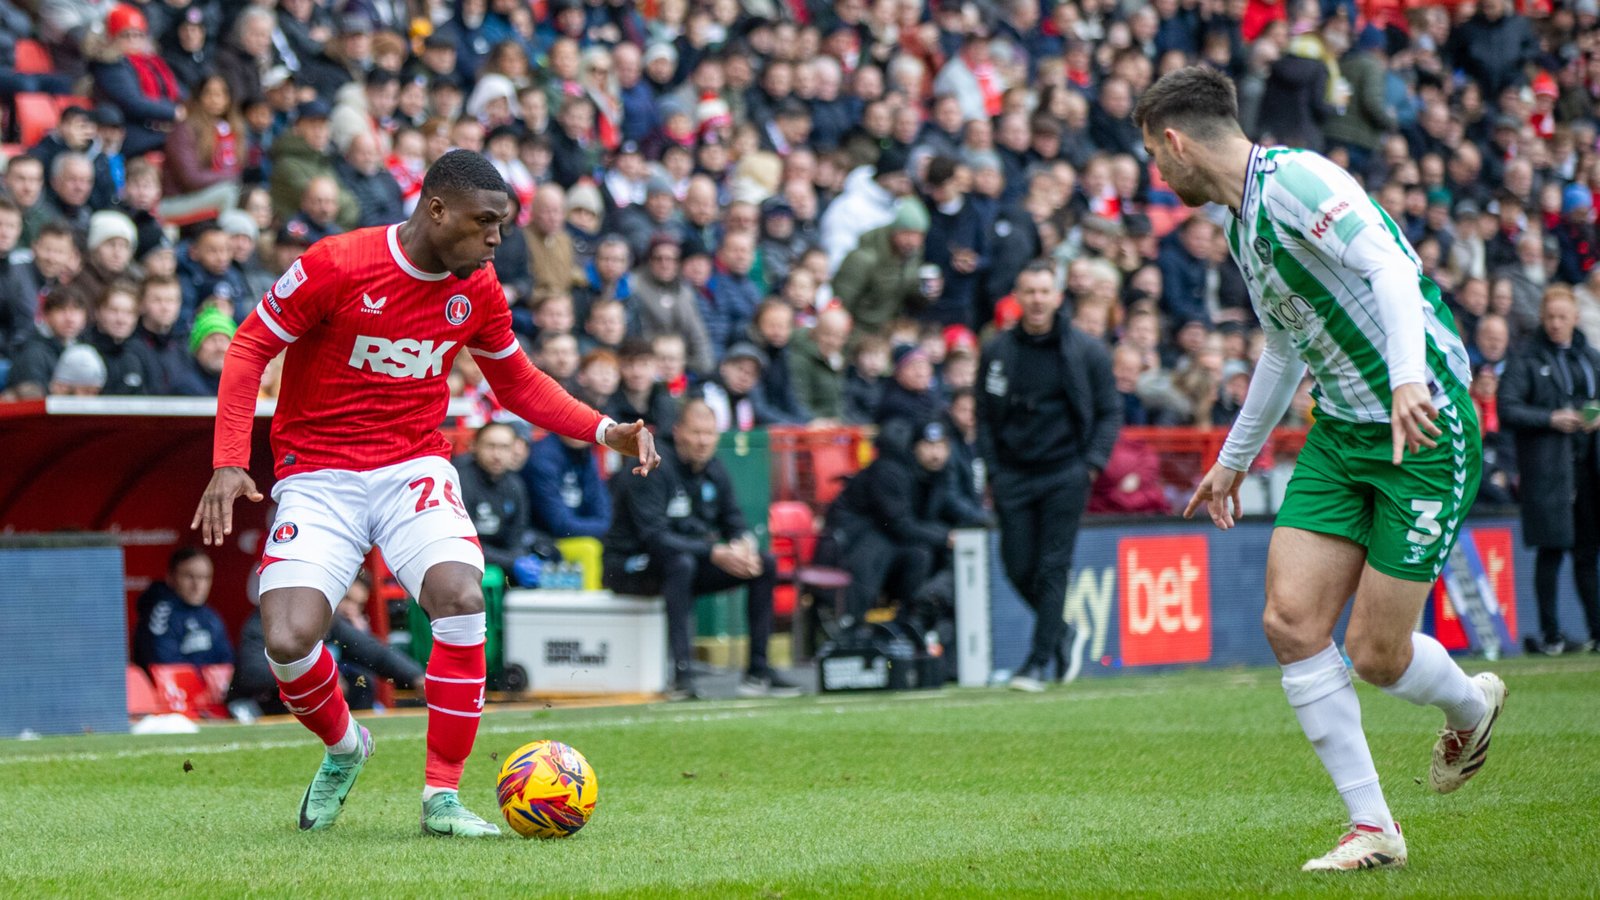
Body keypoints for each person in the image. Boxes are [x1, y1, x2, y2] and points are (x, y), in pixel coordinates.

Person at [191, 150, 658, 837]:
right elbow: (250, 346)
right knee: (287, 639)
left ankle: (441, 798)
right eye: (487, 222)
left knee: (463, 599)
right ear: (437, 209)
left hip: (413, 466)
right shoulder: (338, 263)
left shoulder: (480, 288)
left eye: (503, 225)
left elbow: (517, 381)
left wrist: (603, 428)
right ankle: (347, 746)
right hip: (318, 475)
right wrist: (230, 459)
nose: (498, 238)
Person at [1137, 67, 1505, 872]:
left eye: (1153, 159)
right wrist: (1235, 460)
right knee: (1291, 621)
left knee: (1377, 654)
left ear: (1174, 142)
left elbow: (1391, 269)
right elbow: (1283, 344)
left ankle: (1471, 704)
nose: (1157, 178)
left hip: (1424, 425)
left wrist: (1408, 375)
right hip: (1342, 432)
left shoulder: (1299, 180)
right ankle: (1372, 825)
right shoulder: (1241, 226)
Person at [977, 261, 1120, 692]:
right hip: (1014, 476)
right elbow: (983, 417)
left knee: (1052, 568)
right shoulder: (998, 350)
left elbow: (1110, 412)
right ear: (1017, 298)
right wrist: (994, 470)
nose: (1038, 299)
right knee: (1016, 565)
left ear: (1057, 297)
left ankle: (1038, 662)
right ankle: (1061, 632)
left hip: (1065, 473)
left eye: (1045, 291)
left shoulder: (1086, 350)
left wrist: (1090, 464)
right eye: (1030, 292)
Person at [602, 398, 798, 701]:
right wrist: (715, 553)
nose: (703, 441)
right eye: (696, 433)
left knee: (764, 564)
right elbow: (654, 538)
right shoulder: (651, 465)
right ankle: (683, 676)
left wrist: (743, 547)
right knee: (681, 564)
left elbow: (734, 522)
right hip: (630, 565)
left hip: (687, 562)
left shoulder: (714, 468)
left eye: (709, 433)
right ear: (679, 432)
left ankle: (759, 671)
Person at [1497, 287, 1600, 654]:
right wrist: (1551, 418)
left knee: (1588, 552)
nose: (1556, 323)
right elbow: (1506, 408)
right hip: (1548, 471)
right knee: (1551, 551)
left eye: (1562, 316)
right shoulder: (1526, 359)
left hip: (1588, 468)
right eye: (1551, 317)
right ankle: (1551, 635)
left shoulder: (1591, 357)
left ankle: (1595, 632)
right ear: (1543, 318)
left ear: (1574, 318)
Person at [826, 418, 986, 632]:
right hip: (850, 542)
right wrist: (946, 537)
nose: (936, 454)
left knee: (921, 554)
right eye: (929, 446)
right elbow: (899, 525)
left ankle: (912, 622)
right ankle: (851, 624)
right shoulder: (890, 471)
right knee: (886, 546)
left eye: (941, 446)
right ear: (914, 447)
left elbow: (944, 511)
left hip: (888, 541)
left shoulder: (940, 473)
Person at [132, 547, 234, 671]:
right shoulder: (160, 614)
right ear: (171, 578)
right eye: (189, 576)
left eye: (204, 577)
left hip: (210, 689)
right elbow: (164, 665)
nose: (197, 585)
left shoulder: (211, 616)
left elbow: (227, 662)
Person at [452, 421, 533, 576]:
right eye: (490, 446)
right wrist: (511, 562)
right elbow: (460, 542)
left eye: (504, 447)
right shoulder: (459, 479)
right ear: (473, 446)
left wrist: (519, 558)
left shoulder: (515, 484)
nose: (497, 455)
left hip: (499, 558)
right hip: (462, 561)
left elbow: (517, 535)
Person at [525, 429, 612, 540]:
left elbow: (602, 510)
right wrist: (603, 528)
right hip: (545, 538)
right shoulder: (542, 457)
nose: (580, 428)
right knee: (589, 548)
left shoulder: (587, 452)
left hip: (581, 531)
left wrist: (603, 527)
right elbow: (560, 525)